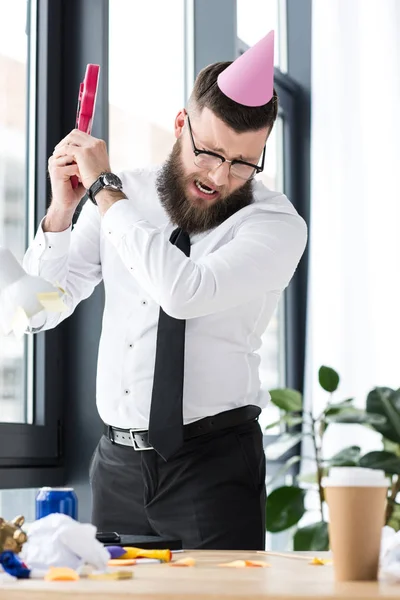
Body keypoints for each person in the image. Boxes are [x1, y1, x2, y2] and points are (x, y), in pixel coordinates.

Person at [23, 31, 307, 550]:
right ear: (182, 125)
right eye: (210, 152)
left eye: (244, 162)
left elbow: (184, 292)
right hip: (116, 467)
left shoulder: (275, 224)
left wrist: (105, 195)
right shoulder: (124, 195)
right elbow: (39, 311)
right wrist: (62, 213)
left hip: (214, 465)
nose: (220, 175)